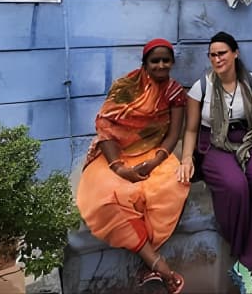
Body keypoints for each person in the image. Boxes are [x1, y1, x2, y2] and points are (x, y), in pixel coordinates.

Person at [77, 38, 188, 294]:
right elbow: (105, 130)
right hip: (116, 156)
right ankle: (157, 264)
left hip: (154, 154)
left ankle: (149, 262)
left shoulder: (174, 93)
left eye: (166, 60)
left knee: (171, 186)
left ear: (172, 62)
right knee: (108, 196)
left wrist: (155, 161)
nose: (161, 65)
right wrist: (119, 169)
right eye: (155, 61)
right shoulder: (125, 87)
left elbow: (173, 134)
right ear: (145, 63)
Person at [178, 32, 252, 294]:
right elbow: (190, 130)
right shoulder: (202, 86)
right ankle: (250, 257)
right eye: (212, 55)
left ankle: (247, 264)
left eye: (222, 53)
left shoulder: (251, 81)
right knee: (235, 186)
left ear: (235, 53)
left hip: (247, 139)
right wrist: (186, 158)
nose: (217, 59)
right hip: (214, 143)